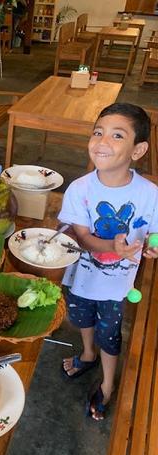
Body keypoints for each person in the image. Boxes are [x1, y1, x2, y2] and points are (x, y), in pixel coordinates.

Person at [58, 103, 158, 421]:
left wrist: (153, 246)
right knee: (80, 319)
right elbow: (84, 238)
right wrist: (115, 248)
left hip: (116, 287)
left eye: (117, 135)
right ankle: (87, 354)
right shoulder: (80, 189)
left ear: (138, 150)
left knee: (110, 334)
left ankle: (108, 384)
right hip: (81, 278)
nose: (102, 142)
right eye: (98, 132)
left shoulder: (149, 194)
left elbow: (154, 233)